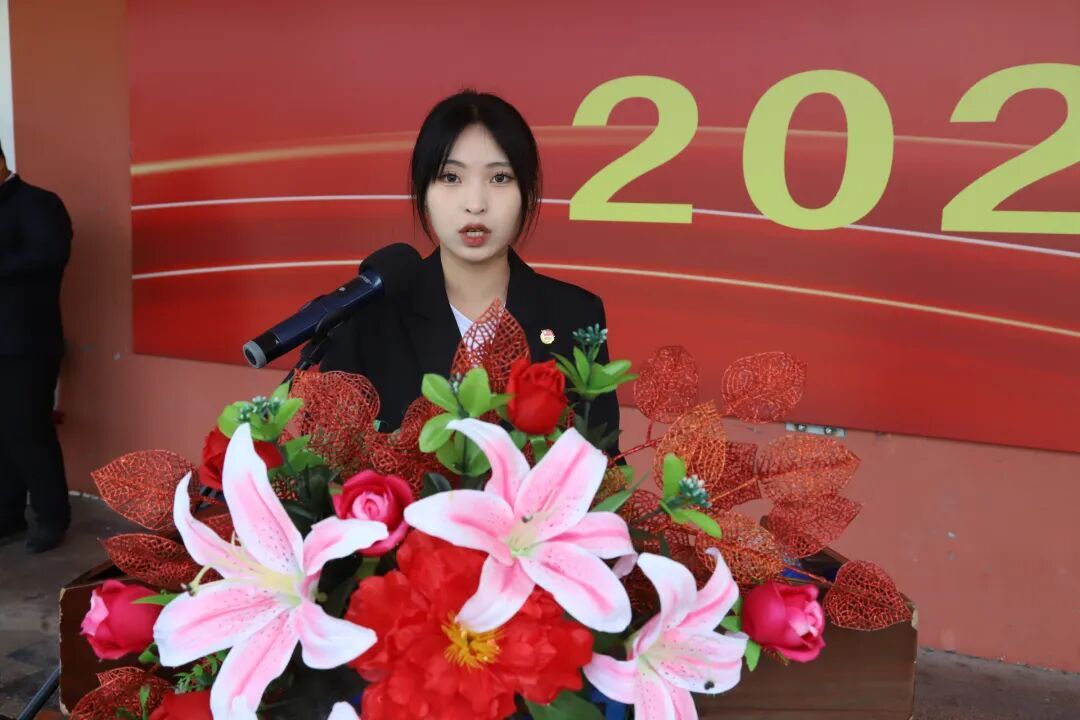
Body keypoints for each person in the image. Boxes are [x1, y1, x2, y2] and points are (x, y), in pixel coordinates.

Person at [321, 90, 620, 448]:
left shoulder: (575, 316)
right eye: (451, 177)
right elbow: (326, 464)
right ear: (423, 192)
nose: (475, 204)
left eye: (500, 178)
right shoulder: (367, 318)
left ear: (527, 193)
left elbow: (603, 463)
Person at [0, 141, 72, 553]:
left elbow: (49, 256)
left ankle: (52, 518)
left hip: (27, 343)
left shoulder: (40, 203)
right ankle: (7, 516)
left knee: (28, 431)